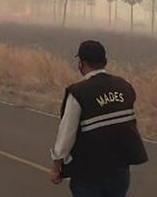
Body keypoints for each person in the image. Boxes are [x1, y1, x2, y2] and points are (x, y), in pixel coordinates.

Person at [51, 40, 148, 197]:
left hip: (89, 171)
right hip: (120, 170)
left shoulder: (78, 92)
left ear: (81, 63)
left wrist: (57, 165)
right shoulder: (125, 86)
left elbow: (66, 134)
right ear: (105, 62)